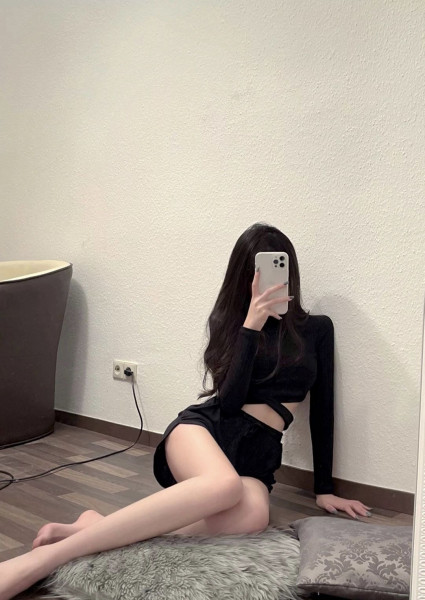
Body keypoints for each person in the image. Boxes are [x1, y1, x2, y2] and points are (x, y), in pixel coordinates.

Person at [0, 222, 371, 599]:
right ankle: (46, 559)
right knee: (223, 485)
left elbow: (323, 408)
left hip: (257, 459)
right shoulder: (230, 323)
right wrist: (251, 327)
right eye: (257, 273)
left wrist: (324, 489)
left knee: (255, 516)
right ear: (244, 277)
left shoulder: (317, 330)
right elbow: (229, 403)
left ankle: (95, 527)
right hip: (204, 433)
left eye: (279, 268)